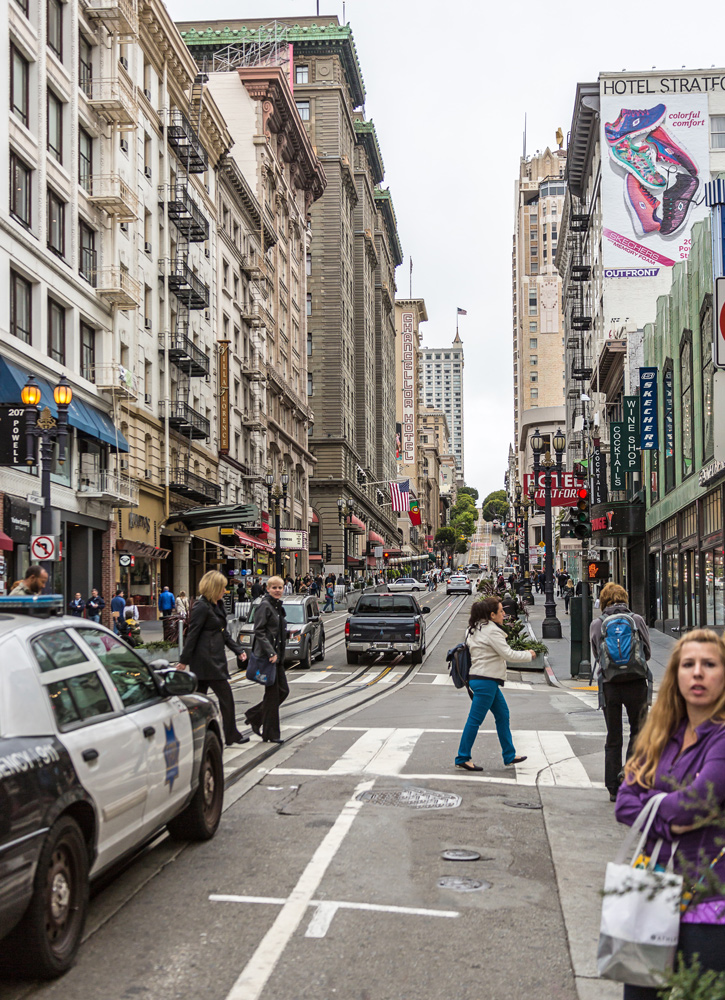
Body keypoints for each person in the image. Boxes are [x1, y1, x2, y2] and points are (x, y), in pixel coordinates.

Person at [615, 630, 725, 1000]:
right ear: (675, 675)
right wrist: (671, 815)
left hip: (708, 904)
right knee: (639, 995)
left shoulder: (722, 739)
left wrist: (654, 803)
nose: (697, 673)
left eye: (709, 665)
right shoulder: (662, 734)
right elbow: (626, 802)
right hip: (653, 891)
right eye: (688, 664)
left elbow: (700, 802)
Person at [455, 597, 535, 772]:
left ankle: (509, 754)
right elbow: (508, 654)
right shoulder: (492, 631)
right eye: (501, 611)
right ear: (492, 615)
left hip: (479, 678)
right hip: (486, 681)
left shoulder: (473, 628)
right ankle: (462, 756)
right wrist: (529, 654)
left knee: (502, 714)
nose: (504, 614)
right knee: (475, 720)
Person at [590, 583, 652, 802]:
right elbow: (647, 652)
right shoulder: (636, 620)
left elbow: (597, 654)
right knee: (638, 733)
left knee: (613, 736)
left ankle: (613, 788)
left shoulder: (597, 623)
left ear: (604, 601)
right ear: (625, 598)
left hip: (610, 685)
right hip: (636, 683)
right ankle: (630, 778)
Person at [178, 570, 249, 747]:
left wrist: (237, 649)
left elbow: (223, 633)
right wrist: (183, 660)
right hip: (206, 661)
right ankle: (230, 734)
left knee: (197, 701)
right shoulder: (201, 607)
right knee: (225, 699)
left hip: (213, 658)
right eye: (222, 588)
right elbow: (192, 634)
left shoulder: (216, 605)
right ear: (214, 587)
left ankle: (192, 734)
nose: (225, 591)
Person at [245, 576, 289, 744]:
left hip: (277, 657)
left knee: (282, 691)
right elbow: (259, 631)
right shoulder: (265, 606)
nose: (278, 590)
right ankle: (270, 733)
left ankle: (255, 716)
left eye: (280, 587)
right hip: (269, 657)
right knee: (273, 694)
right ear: (268, 589)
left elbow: (275, 629)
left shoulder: (277, 606)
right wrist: (270, 652)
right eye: (274, 587)